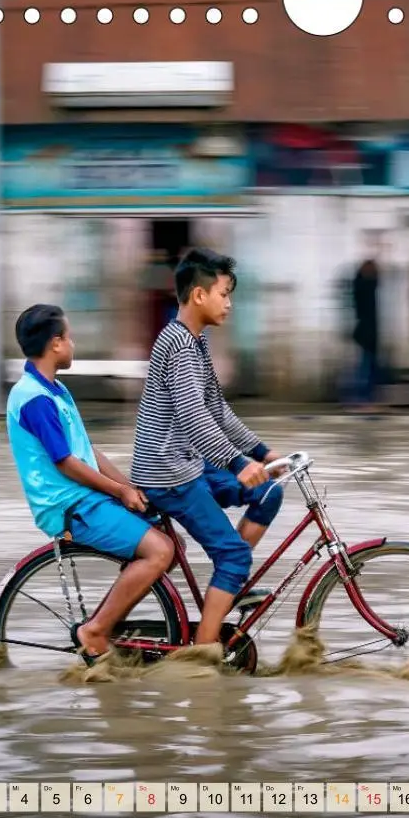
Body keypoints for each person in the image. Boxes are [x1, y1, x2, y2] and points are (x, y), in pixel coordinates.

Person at [130, 248, 286, 648]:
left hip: (188, 464)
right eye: (224, 293)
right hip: (168, 474)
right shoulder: (180, 345)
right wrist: (236, 463)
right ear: (199, 295)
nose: (229, 304)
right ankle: (203, 650)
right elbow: (193, 419)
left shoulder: (195, 342)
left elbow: (216, 409)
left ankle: (224, 588)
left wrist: (263, 453)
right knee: (235, 556)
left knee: (268, 490)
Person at [6, 304, 175, 663]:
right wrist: (119, 492)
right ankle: (96, 630)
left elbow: (86, 450)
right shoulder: (35, 398)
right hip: (70, 505)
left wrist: (131, 487)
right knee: (159, 551)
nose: (73, 342)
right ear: (55, 344)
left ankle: (109, 622)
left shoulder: (54, 390)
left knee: (170, 542)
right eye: (69, 336)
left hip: (87, 497)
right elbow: (66, 462)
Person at [348, 232, 383, 410]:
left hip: (365, 333)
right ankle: (362, 399)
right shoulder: (367, 290)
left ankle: (362, 398)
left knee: (366, 367)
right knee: (365, 368)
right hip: (368, 334)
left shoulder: (360, 287)